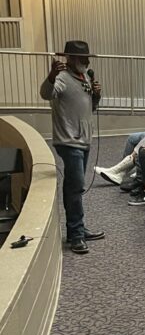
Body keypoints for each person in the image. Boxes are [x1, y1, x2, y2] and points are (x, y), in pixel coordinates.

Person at [39, 40, 104, 254]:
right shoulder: (61, 78)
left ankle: (78, 227)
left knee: (76, 185)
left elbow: (90, 107)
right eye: (83, 58)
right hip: (68, 140)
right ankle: (75, 234)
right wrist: (50, 76)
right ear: (72, 59)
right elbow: (46, 94)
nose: (86, 61)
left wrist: (96, 95)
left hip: (83, 140)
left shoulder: (85, 76)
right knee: (75, 187)